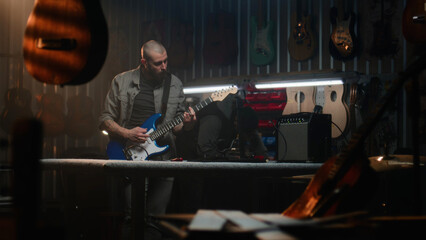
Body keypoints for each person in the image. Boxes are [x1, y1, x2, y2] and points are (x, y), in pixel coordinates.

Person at [99, 40, 196, 239]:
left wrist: (188, 124)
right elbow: (104, 119)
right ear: (144, 62)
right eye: (158, 63)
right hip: (130, 155)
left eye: (166, 61)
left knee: (155, 220)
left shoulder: (174, 83)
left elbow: (177, 128)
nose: (164, 67)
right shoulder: (122, 81)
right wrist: (127, 133)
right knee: (130, 218)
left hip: (164, 158)